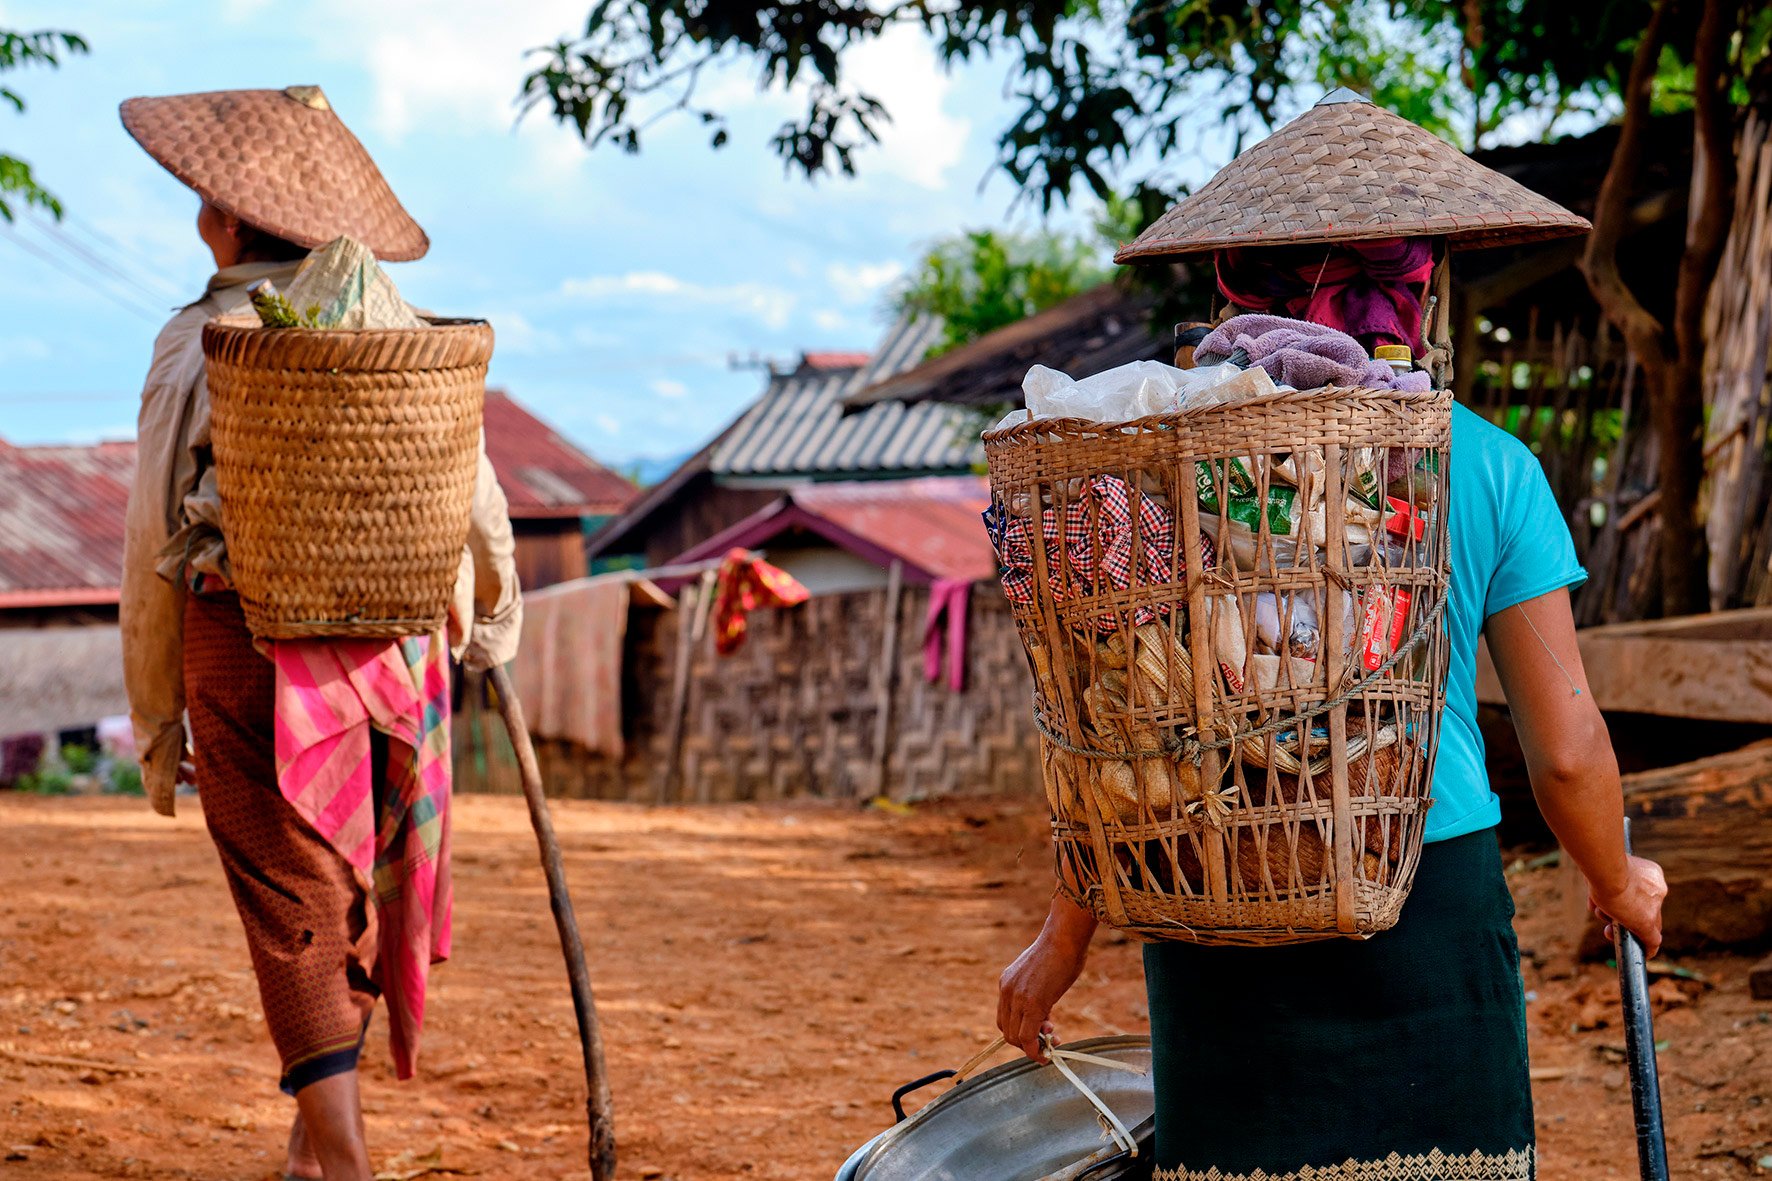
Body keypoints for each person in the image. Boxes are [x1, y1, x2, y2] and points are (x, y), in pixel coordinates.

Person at [997, 93, 1668, 1181]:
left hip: (1210, 888)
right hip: (1417, 898)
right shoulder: (1485, 463)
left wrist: (1059, 940)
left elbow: (1134, 728)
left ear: (1240, 281)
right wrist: (1617, 877)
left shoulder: (1153, 467)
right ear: (1416, 290)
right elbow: (1563, 746)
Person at [119, 86, 522, 1181]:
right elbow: (473, 501)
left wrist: (158, 707)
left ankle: (336, 1154)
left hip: (244, 643)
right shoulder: (401, 333)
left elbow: (154, 522)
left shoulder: (202, 340)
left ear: (224, 220)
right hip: (396, 651)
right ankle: (312, 1144)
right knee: (342, 879)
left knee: (284, 889)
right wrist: (488, 625)